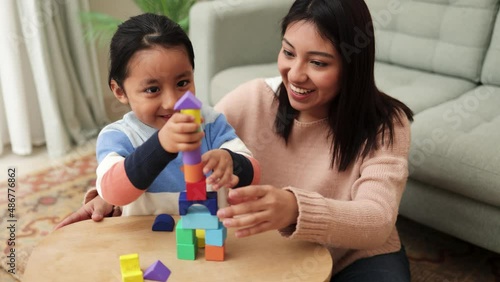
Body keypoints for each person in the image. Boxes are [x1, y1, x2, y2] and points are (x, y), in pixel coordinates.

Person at [57, 0, 413, 280]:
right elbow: (157, 149)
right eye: (288, 53)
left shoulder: (385, 124)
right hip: (276, 252)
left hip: (355, 257)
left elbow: (377, 219)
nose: (295, 74)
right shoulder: (253, 100)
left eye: (318, 62)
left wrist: (293, 207)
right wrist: (107, 198)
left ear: (353, 64)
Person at [55, 13, 259, 226]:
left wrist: (231, 161)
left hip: (208, 240)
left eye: (182, 83)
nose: (172, 102)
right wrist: (161, 145)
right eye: (152, 89)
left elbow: (254, 174)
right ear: (120, 91)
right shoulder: (119, 136)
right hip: (145, 244)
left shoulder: (210, 122)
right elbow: (113, 192)